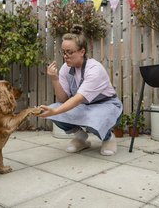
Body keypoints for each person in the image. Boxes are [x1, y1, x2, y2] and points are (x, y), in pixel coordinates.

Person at [38, 24, 123, 156]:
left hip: (107, 106)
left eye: (70, 52)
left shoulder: (94, 69)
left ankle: (108, 138)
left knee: (90, 116)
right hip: (85, 106)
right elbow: (63, 100)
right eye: (63, 52)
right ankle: (80, 137)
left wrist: (55, 111)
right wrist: (54, 79)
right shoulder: (66, 69)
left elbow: (77, 99)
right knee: (55, 110)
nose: (65, 56)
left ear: (82, 52)